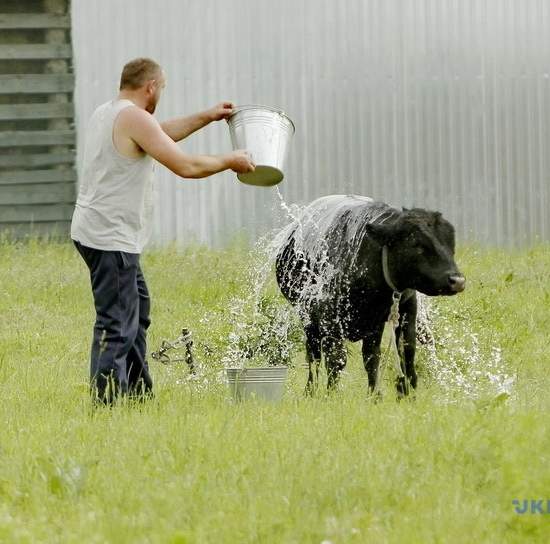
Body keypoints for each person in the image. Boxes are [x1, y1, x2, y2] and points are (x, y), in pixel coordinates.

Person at [71, 57, 255, 403]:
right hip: (111, 238)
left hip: (98, 230)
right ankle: (107, 405)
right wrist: (230, 161)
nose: (161, 95)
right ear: (151, 87)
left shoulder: (111, 111)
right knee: (117, 325)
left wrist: (207, 116)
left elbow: (159, 135)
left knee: (136, 312)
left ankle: (140, 395)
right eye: (162, 88)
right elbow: (184, 165)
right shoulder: (133, 117)